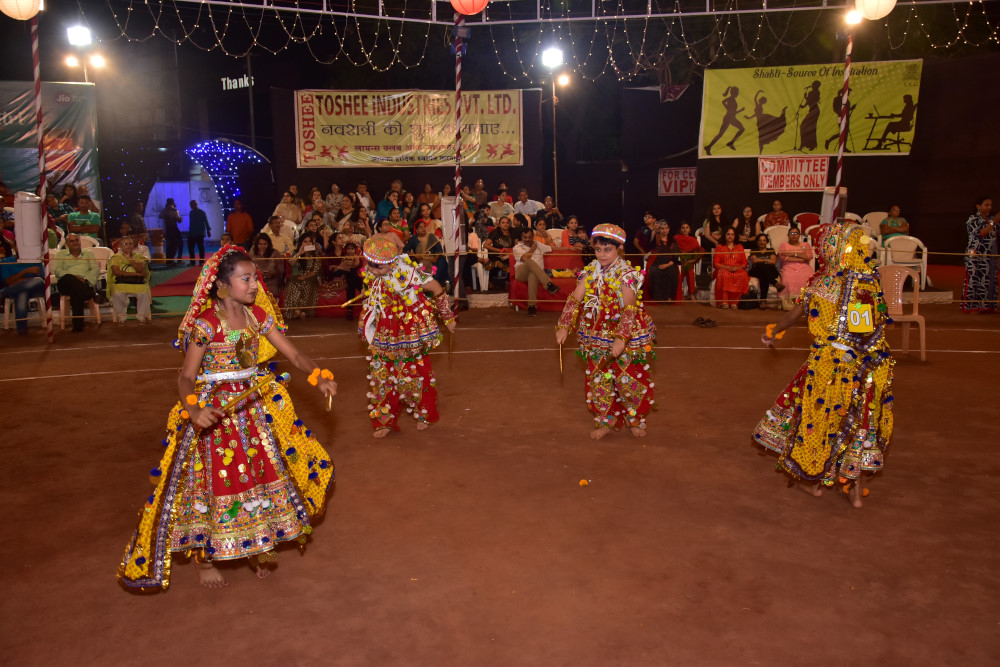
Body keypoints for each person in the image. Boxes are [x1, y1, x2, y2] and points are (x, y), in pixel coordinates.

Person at [117, 245, 337, 591]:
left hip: (253, 410)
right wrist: (193, 410)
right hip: (217, 415)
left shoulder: (256, 317)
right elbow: (185, 377)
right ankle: (205, 559)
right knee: (214, 485)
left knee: (257, 478)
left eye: (254, 278)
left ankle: (253, 546)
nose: (254, 285)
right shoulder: (206, 325)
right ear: (222, 284)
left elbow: (293, 353)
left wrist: (318, 376)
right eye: (245, 278)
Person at [756, 224, 893, 508]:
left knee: (820, 421)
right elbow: (866, 330)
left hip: (827, 365)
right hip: (862, 366)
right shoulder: (865, 283)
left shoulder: (821, 281)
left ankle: (815, 482)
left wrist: (774, 331)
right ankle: (855, 492)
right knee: (857, 425)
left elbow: (796, 313)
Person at [555, 224, 656, 439]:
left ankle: (635, 419)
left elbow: (629, 306)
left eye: (607, 249)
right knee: (599, 379)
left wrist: (621, 338)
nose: (602, 254)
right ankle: (606, 420)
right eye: (598, 249)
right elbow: (576, 298)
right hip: (597, 333)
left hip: (627, 333)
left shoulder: (627, 273)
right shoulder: (590, 270)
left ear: (619, 249)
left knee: (629, 379)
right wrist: (564, 325)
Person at [357, 236, 457, 439]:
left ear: (392, 261)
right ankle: (384, 420)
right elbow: (372, 298)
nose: (374, 271)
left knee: (415, 371)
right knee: (381, 374)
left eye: (379, 268)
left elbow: (436, 288)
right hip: (384, 329)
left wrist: (447, 317)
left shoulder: (406, 271)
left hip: (409, 329)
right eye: (371, 266)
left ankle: (424, 414)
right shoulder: (375, 272)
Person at [53, 233, 98, 332]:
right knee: (69, 278)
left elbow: (95, 270)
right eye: (71, 241)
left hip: (83, 283)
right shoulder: (60, 254)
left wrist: (85, 279)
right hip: (65, 283)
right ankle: (90, 293)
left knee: (76, 293)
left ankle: (78, 326)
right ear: (67, 244)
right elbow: (58, 271)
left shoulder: (88, 253)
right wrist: (76, 277)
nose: (75, 243)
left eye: (76, 240)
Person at [0, 236, 45, 336]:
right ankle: (22, 330)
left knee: (37, 280)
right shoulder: (6, 262)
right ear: (15, 247)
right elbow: (8, 281)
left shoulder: (35, 260)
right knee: (22, 293)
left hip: (37, 288)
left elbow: (41, 278)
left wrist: (20, 280)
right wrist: (26, 271)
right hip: (17, 291)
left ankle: (3, 293)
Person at [961, 196, 998, 313]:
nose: (989, 207)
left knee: (988, 279)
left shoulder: (990, 219)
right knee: (974, 278)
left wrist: (994, 222)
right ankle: (971, 306)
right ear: (978, 206)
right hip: (976, 254)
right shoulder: (972, 219)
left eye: (991, 205)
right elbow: (980, 233)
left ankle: (987, 305)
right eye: (986, 205)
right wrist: (994, 222)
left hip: (990, 255)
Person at [513, 226, 560, 316]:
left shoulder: (539, 245)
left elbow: (552, 248)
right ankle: (548, 284)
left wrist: (571, 249)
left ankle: (532, 307)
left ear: (533, 237)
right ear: (522, 238)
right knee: (529, 261)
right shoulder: (517, 247)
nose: (527, 239)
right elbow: (525, 258)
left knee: (533, 275)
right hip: (521, 273)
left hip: (535, 273)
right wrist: (533, 248)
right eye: (525, 237)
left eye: (529, 237)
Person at [108, 235, 152, 325]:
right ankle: (121, 318)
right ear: (120, 246)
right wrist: (137, 274)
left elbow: (140, 269)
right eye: (125, 244)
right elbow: (117, 272)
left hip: (138, 284)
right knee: (117, 294)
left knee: (143, 294)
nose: (128, 246)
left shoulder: (139, 257)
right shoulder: (116, 257)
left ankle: (141, 317)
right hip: (121, 284)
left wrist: (130, 259)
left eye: (130, 244)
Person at [283, 232, 322, 319]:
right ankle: (295, 310)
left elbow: (315, 270)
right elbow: (291, 263)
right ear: (301, 243)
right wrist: (300, 253)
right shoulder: (295, 252)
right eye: (305, 241)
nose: (308, 243)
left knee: (307, 284)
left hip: (311, 277)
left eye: (309, 242)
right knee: (292, 285)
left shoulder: (315, 254)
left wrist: (305, 276)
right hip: (297, 276)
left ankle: (303, 310)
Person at [777, 226, 815, 309]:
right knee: (788, 278)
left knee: (810, 277)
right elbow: (783, 257)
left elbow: (808, 256)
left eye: (796, 233)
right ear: (788, 235)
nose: (794, 235)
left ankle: (806, 304)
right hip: (788, 266)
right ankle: (789, 305)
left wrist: (793, 254)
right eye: (791, 233)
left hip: (804, 267)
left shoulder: (805, 244)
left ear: (799, 235)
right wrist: (801, 257)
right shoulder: (784, 245)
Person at [403, 218, 449, 284]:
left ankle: (439, 284)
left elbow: (440, 250)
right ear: (416, 230)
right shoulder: (413, 239)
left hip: (433, 259)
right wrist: (411, 254)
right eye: (420, 227)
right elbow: (405, 250)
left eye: (424, 227)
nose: (423, 228)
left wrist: (435, 258)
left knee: (442, 262)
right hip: (420, 260)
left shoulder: (431, 237)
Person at [713, 228, 749, 309]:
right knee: (724, 273)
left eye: (732, 234)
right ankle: (724, 301)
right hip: (723, 269)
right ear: (724, 235)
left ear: (735, 236)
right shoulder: (720, 247)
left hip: (737, 269)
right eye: (728, 234)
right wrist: (727, 267)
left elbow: (744, 263)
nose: (730, 236)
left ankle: (734, 302)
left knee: (742, 274)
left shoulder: (739, 247)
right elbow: (715, 264)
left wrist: (737, 268)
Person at [704, 86, 745, 155]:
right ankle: (709, 147)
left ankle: (730, 143)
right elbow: (731, 110)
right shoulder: (731, 99)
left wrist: (728, 109)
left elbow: (724, 102)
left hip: (731, 118)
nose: (738, 94)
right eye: (737, 92)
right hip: (729, 118)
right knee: (720, 134)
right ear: (733, 93)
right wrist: (740, 110)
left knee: (741, 129)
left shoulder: (732, 99)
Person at [646, 224, 680, 303]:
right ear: (659, 230)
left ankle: (668, 297)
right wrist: (654, 231)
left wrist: (667, 265)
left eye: (666, 228)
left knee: (671, 272)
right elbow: (649, 246)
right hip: (656, 261)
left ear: (669, 229)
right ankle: (657, 297)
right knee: (654, 272)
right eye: (662, 228)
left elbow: (676, 256)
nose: (664, 230)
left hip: (669, 262)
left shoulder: (673, 240)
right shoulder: (655, 238)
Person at [483, 215, 517, 290]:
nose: (505, 224)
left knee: (512, 260)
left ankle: (507, 282)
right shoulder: (495, 232)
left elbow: (516, 245)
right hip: (497, 253)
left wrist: (510, 251)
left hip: (509, 253)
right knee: (497, 261)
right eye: (503, 223)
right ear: (499, 224)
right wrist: (500, 251)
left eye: (507, 223)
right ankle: (491, 282)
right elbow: (486, 245)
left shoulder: (513, 231)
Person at [747, 233, 779, 309]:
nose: (762, 242)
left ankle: (763, 301)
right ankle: (775, 283)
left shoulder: (771, 250)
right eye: (760, 240)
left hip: (769, 271)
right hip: (756, 270)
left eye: (764, 240)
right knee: (763, 269)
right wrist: (767, 261)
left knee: (764, 274)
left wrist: (761, 260)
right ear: (757, 242)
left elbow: (774, 261)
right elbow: (754, 261)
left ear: (767, 242)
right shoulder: (754, 250)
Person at [673, 222, 703, 299]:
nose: (685, 229)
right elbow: (674, 250)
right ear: (680, 229)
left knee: (690, 273)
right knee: (679, 274)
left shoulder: (693, 240)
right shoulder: (676, 238)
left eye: (687, 227)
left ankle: (691, 294)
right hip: (679, 262)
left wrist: (691, 261)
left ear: (689, 230)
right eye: (683, 227)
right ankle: (678, 294)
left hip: (690, 262)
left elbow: (699, 252)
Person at [250, 233, 285, 297]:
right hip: (258, 281)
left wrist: (273, 273)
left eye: (265, 244)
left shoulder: (275, 253)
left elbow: (281, 269)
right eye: (260, 244)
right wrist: (259, 274)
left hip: (273, 282)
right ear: (256, 244)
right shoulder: (252, 254)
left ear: (268, 244)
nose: (262, 246)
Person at [187, 200, 211, 265]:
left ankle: (201, 261)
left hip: (199, 233)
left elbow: (206, 222)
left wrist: (208, 230)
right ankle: (193, 261)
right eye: (190, 205)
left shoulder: (202, 213)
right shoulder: (191, 213)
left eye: (192, 205)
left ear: (195, 204)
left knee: (200, 248)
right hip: (193, 233)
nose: (191, 206)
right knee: (192, 248)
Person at [160, 198, 183, 264]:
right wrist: (181, 218)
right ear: (173, 202)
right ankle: (177, 259)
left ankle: (168, 260)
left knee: (169, 245)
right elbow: (178, 220)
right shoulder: (175, 210)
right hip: (174, 229)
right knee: (177, 244)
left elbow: (160, 216)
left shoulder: (164, 210)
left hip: (167, 230)